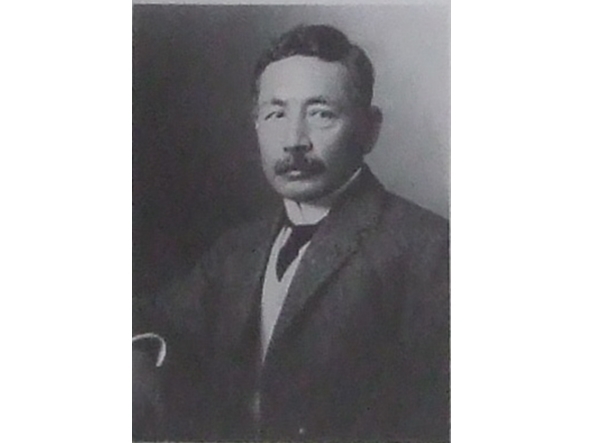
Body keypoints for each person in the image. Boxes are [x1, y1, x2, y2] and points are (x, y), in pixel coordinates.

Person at [133, 24, 449, 442]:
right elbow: (160, 318)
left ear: (369, 129)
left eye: (321, 114)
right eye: (276, 114)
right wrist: (137, 355)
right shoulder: (238, 250)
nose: (294, 141)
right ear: (256, 125)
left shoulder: (430, 250)